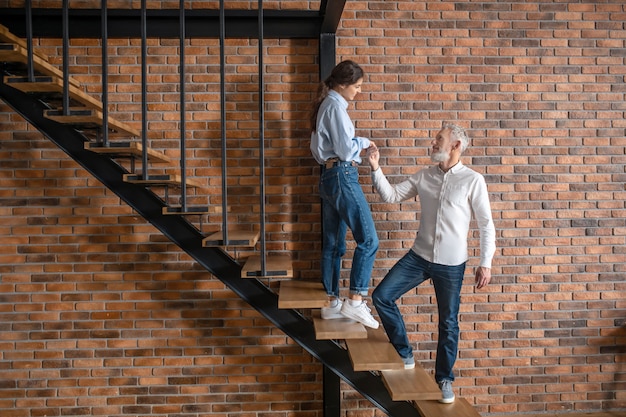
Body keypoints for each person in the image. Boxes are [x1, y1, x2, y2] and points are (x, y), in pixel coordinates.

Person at [368, 123, 496, 404]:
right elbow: (390, 196)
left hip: (452, 265)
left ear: (456, 146)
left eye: (439, 139)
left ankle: (445, 379)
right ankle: (404, 353)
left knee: (448, 324)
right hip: (418, 258)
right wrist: (376, 168)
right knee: (382, 296)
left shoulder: (473, 180)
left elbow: (486, 225)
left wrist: (485, 262)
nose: (433, 142)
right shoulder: (424, 176)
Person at [309, 60, 379, 329]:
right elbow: (347, 150)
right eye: (358, 86)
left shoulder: (325, 105)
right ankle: (355, 301)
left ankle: (331, 303)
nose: (359, 92)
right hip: (341, 174)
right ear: (343, 84)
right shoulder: (336, 107)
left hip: (328, 176)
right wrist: (364, 141)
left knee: (334, 245)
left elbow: (318, 150)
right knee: (369, 240)